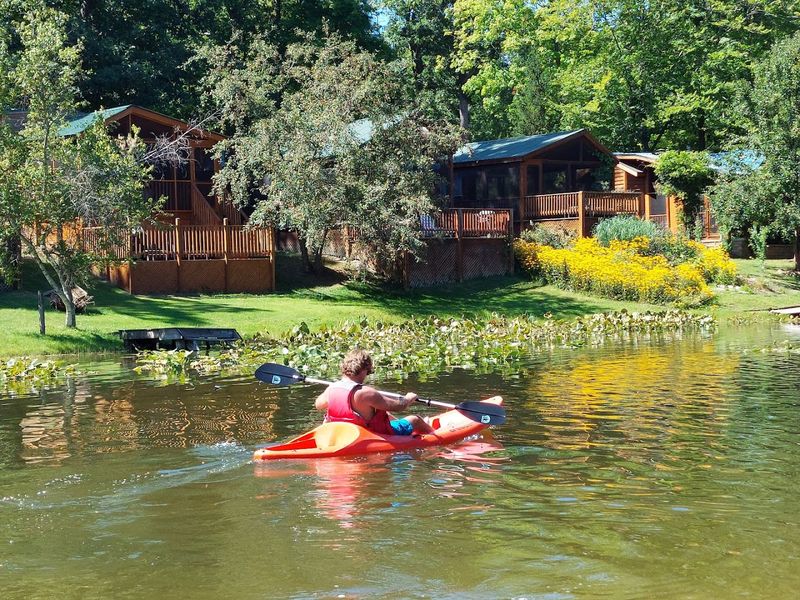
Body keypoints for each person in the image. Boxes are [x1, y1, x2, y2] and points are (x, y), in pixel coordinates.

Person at [315, 349, 434, 435]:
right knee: (415, 419)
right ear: (364, 369)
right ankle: (436, 436)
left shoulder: (332, 388)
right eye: (368, 371)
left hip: (343, 432)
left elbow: (318, 405)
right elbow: (399, 406)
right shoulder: (366, 393)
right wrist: (409, 398)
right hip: (370, 434)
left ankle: (402, 425)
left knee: (385, 414)